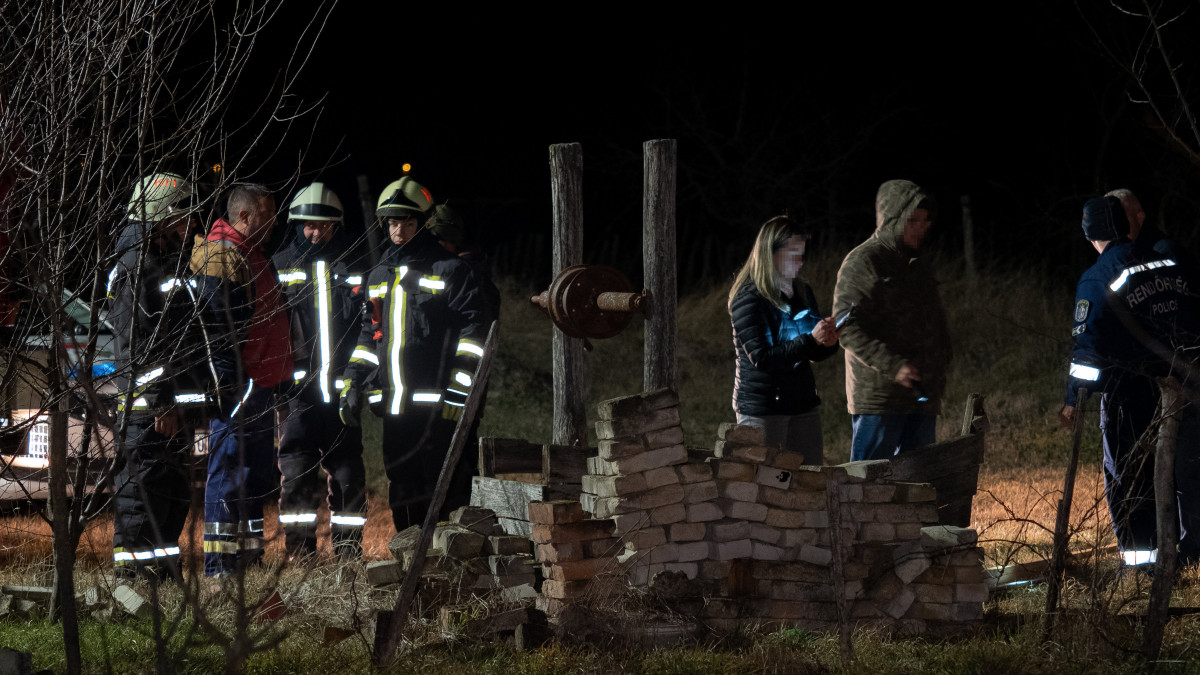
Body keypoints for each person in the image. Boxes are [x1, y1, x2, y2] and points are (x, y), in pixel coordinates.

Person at [339, 177, 492, 531]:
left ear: (422, 224)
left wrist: (460, 388)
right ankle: (408, 562)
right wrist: (352, 380)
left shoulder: (451, 271)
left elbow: (473, 335)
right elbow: (369, 336)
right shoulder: (379, 275)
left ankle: (445, 564)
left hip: (438, 406)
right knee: (401, 486)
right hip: (393, 406)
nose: (399, 231)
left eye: (407, 223)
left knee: (442, 485)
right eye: (393, 223)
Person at [1059, 195, 1200, 568]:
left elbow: (1087, 347)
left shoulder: (1096, 278)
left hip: (1129, 392)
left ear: (1091, 234)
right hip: (1180, 385)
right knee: (1177, 471)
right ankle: (1185, 553)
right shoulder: (1166, 262)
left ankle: (1142, 564)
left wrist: (1075, 397)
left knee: (1129, 476)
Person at [108, 172, 209, 578]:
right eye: (183, 215)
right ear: (160, 217)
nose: (191, 225)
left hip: (170, 409)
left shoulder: (166, 258)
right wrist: (160, 403)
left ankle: (162, 581)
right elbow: (136, 344)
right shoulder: (138, 265)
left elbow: (179, 337)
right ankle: (134, 585)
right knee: (141, 496)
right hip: (149, 412)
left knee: (169, 497)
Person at [190, 183, 293, 577]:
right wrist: (230, 391)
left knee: (253, 477)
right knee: (228, 475)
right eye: (267, 214)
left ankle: (249, 558)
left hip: (259, 387)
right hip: (241, 390)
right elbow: (219, 335)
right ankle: (219, 568)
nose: (275, 222)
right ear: (244, 216)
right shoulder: (221, 257)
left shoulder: (251, 255)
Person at [273, 181, 367, 558]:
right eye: (309, 225)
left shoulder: (354, 266)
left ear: (336, 225)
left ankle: (348, 555)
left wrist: (357, 379)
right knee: (296, 477)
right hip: (297, 398)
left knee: (348, 477)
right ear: (297, 223)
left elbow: (368, 327)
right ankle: (299, 555)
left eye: (324, 225)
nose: (316, 232)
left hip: (342, 394)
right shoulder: (278, 267)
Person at [832, 179, 953, 461]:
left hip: (922, 396)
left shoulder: (917, 264)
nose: (921, 227)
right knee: (867, 484)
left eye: (925, 221)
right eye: (913, 220)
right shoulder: (864, 262)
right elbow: (847, 327)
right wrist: (894, 366)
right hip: (880, 399)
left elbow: (933, 319)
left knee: (917, 485)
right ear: (893, 219)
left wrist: (942, 358)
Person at [728, 215, 839, 464]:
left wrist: (828, 342)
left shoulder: (801, 290)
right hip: (764, 409)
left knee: (808, 481)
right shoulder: (749, 298)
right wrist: (812, 340)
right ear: (770, 253)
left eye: (801, 253)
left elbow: (810, 350)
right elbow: (763, 358)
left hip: (802, 403)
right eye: (792, 254)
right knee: (768, 483)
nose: (799, 261)